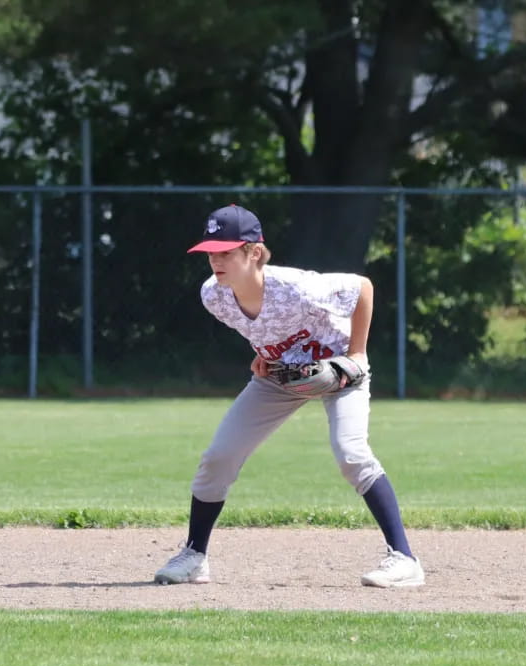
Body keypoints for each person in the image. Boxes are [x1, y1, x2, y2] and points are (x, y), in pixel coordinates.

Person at [154, 204, 424, 588]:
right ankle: (195, 556)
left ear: (254, 252)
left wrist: (358, 354)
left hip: (337, 371)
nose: (216, 260)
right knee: (219, 457)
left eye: (226, 252)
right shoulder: (214, 296)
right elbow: (264, 329)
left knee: (351, 453)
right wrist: (263, 355)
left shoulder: (296, 288)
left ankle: (405, 559)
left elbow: (362, 288)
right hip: (279, 377)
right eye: (211, 252)